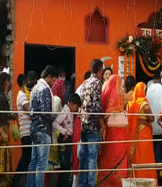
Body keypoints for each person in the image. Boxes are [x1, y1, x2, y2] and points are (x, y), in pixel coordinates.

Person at [26, 65, 58, 187]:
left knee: (33, 161)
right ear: (49, 77)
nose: (54, 83)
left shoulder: (34, 88)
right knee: (41, 164)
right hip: (43, 130)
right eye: (54, 80)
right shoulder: (45, 89)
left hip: (34, 129)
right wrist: (55, 117)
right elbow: (46, 112)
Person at [98, 74, 132, 186]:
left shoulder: (105, 92)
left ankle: (105, 181)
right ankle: (118, 182)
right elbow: (130, 98)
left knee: (108, 155)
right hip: (118, 131)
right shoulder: (118, 94)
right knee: (119, 155)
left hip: (108, 130)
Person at [79, 59, 105, 187]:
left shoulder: (84, 83)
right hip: (93, 124)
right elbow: (96, 106)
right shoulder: (97, 83)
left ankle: (82, 184)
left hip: (83, 124)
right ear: (100, 70)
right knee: (92, 158)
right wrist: (102, 123)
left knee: (83, 157)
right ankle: (90, 184)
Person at [126, 82, 157, 179]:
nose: (146, 92)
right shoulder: (143, 102)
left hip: (135, 134)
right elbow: (151, 118)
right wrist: (145, 121)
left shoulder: (132, 102)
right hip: (144, 134)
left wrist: (141, 120)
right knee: (145, 157)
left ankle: (135, 179)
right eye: (145, 90)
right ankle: (146, 178)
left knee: (137, 157)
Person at [53, 93, 81, 187]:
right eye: (76, 108)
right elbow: (55, 123)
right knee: (65, 166)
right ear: (72, 104)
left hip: (68, 140)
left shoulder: (69, 111)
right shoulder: (65, 111)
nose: (76, 110)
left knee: (66, 166)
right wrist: (64, 131)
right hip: (65, 140)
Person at [146, 72, 162, 185]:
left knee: (153, 152)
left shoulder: (149, 89)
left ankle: (155, 175)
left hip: (151, 125)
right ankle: (161, 176)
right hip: (161, 124)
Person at [12, 74, 32, 186]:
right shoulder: (22, 95)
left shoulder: (21, 95)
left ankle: (20, 180)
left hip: (25, 130)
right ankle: (15, 180)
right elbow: (28, 109)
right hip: (27, 131)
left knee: (27, 157)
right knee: (26, 157)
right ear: (24, 82)